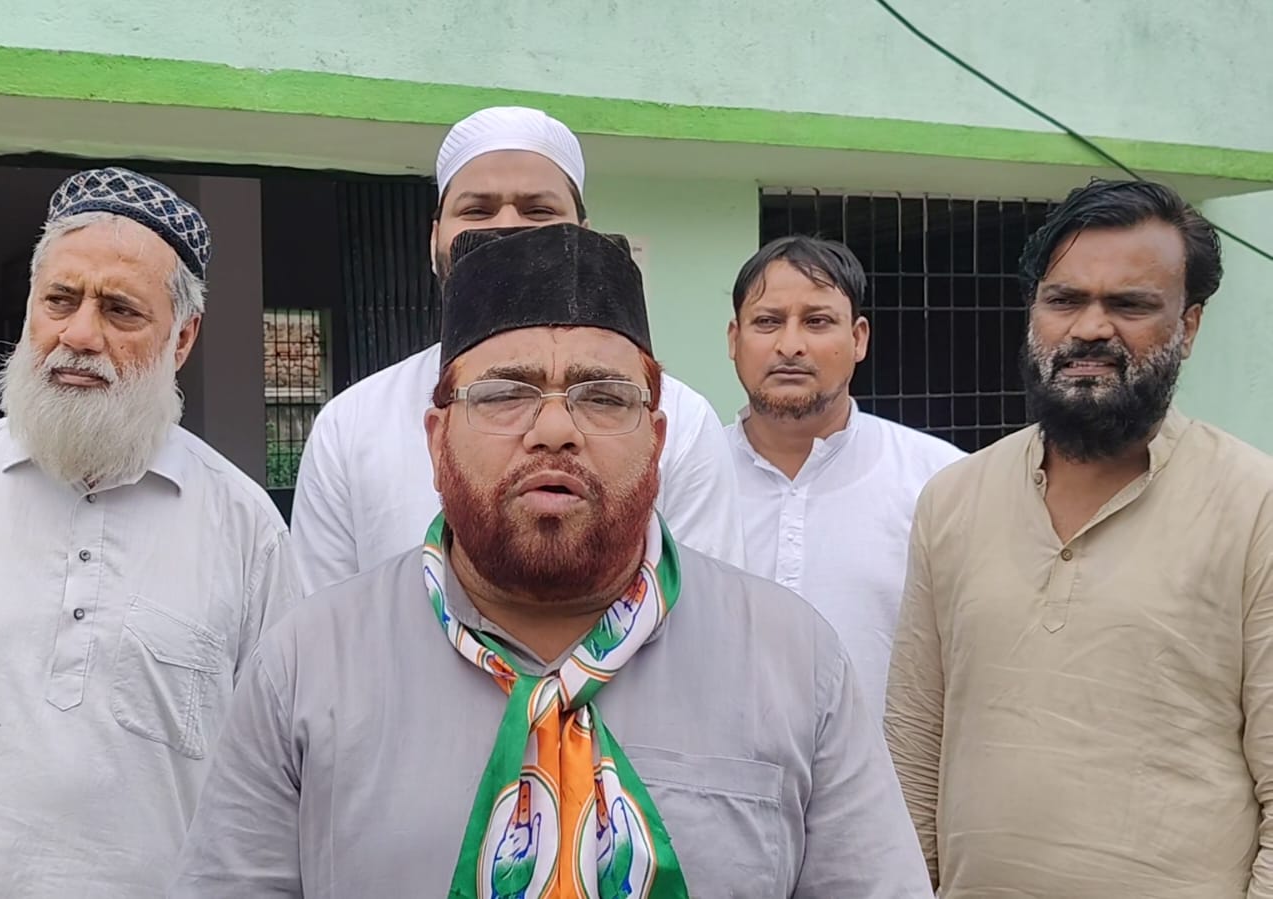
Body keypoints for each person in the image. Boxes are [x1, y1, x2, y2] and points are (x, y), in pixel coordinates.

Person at [172, 224, 930, 898]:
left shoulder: (794, 661)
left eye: (603, 397)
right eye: (506, 393)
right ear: (437, 441)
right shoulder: (305, 667)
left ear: (656, 443)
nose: (555, 429)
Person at [0, 167, 298, 897]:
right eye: (60, 300)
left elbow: (273, 791)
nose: (79, 334)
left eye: (121, 310)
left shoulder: (244, 525)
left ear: (183, 337)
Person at [885, 179, 1273, 896]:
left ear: (1188, 326)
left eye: (1129, 304)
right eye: (1064, 300)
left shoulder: (1256, 506)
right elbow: (913, 744)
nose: (1090, 328)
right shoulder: (953, 499)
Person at [290, 105, 748, 593]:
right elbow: (323, 620)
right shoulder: (351, 426)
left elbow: (706, 610)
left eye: (538, 210)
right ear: (434, 240)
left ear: (582, 234)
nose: (507, 227)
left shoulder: (681, 419)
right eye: (477, 210)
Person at [726, 236, 962, 717]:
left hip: (884, 766)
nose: (790, 345)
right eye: (767, 322)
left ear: (858, 339)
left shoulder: (940, 481)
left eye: (817, 322)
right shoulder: (686, 477)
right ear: (734, 339)